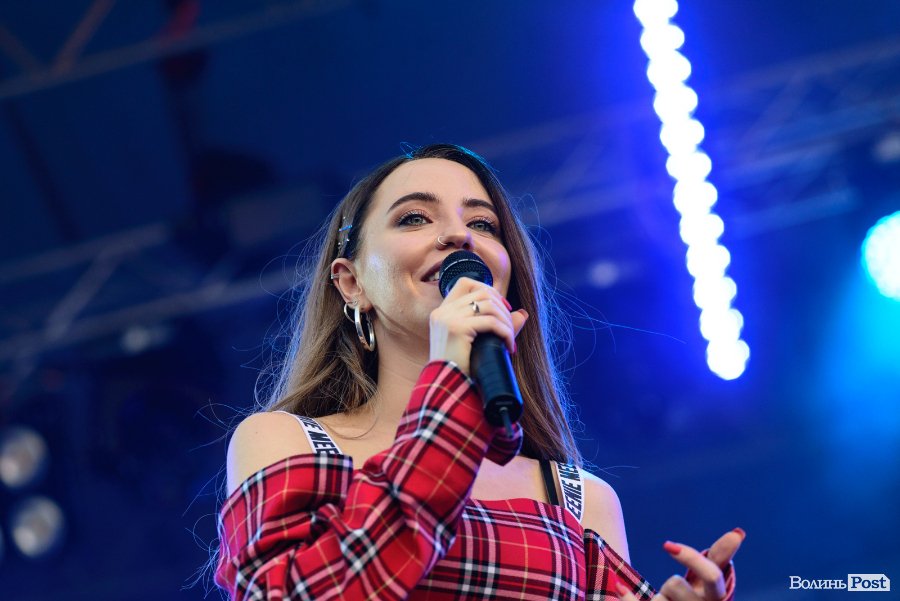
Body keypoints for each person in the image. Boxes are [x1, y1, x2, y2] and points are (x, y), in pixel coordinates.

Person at [214, 143, 744, 600]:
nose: (457, 236)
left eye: (482, 224)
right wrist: (450, 387)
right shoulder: (286, 440)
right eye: (414, 218)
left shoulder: (580, 499)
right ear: (351, 283)